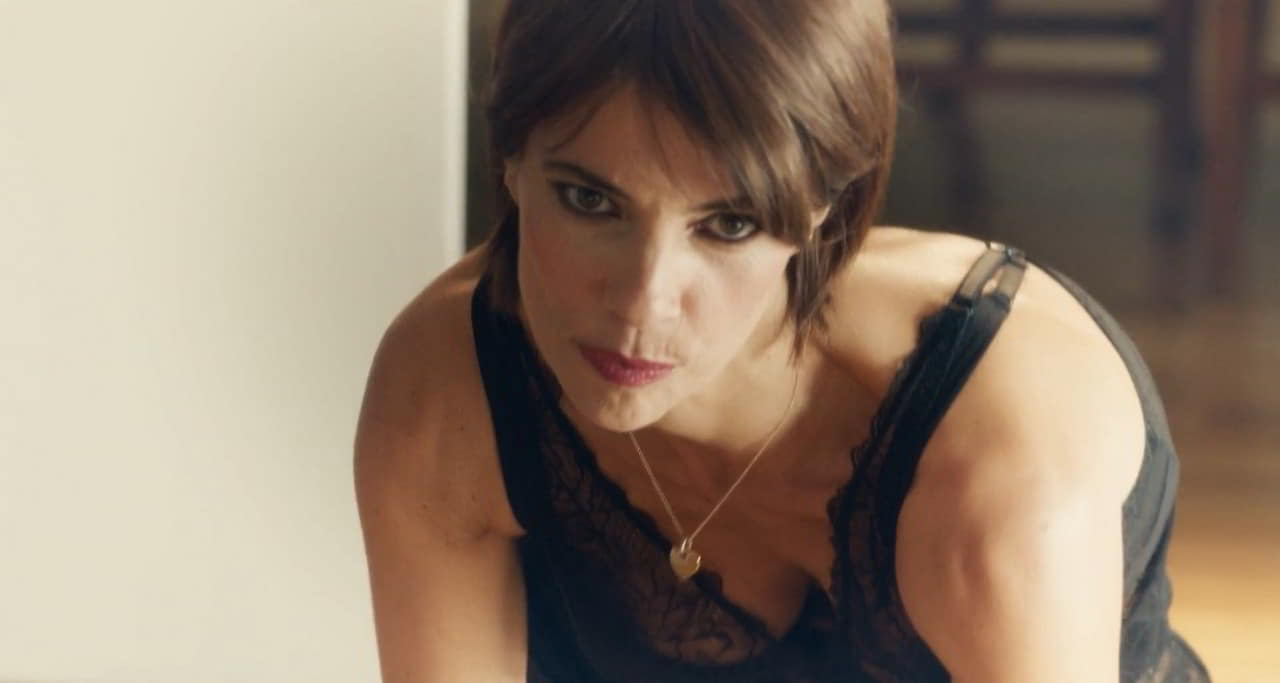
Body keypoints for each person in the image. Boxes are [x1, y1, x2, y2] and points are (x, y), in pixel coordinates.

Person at [354, 1, 1209, 681]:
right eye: (590, 201)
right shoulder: (449, 390)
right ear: (511, 161)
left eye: (728, 224)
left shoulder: (998, 464)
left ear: (824, 211)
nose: (644, 300)